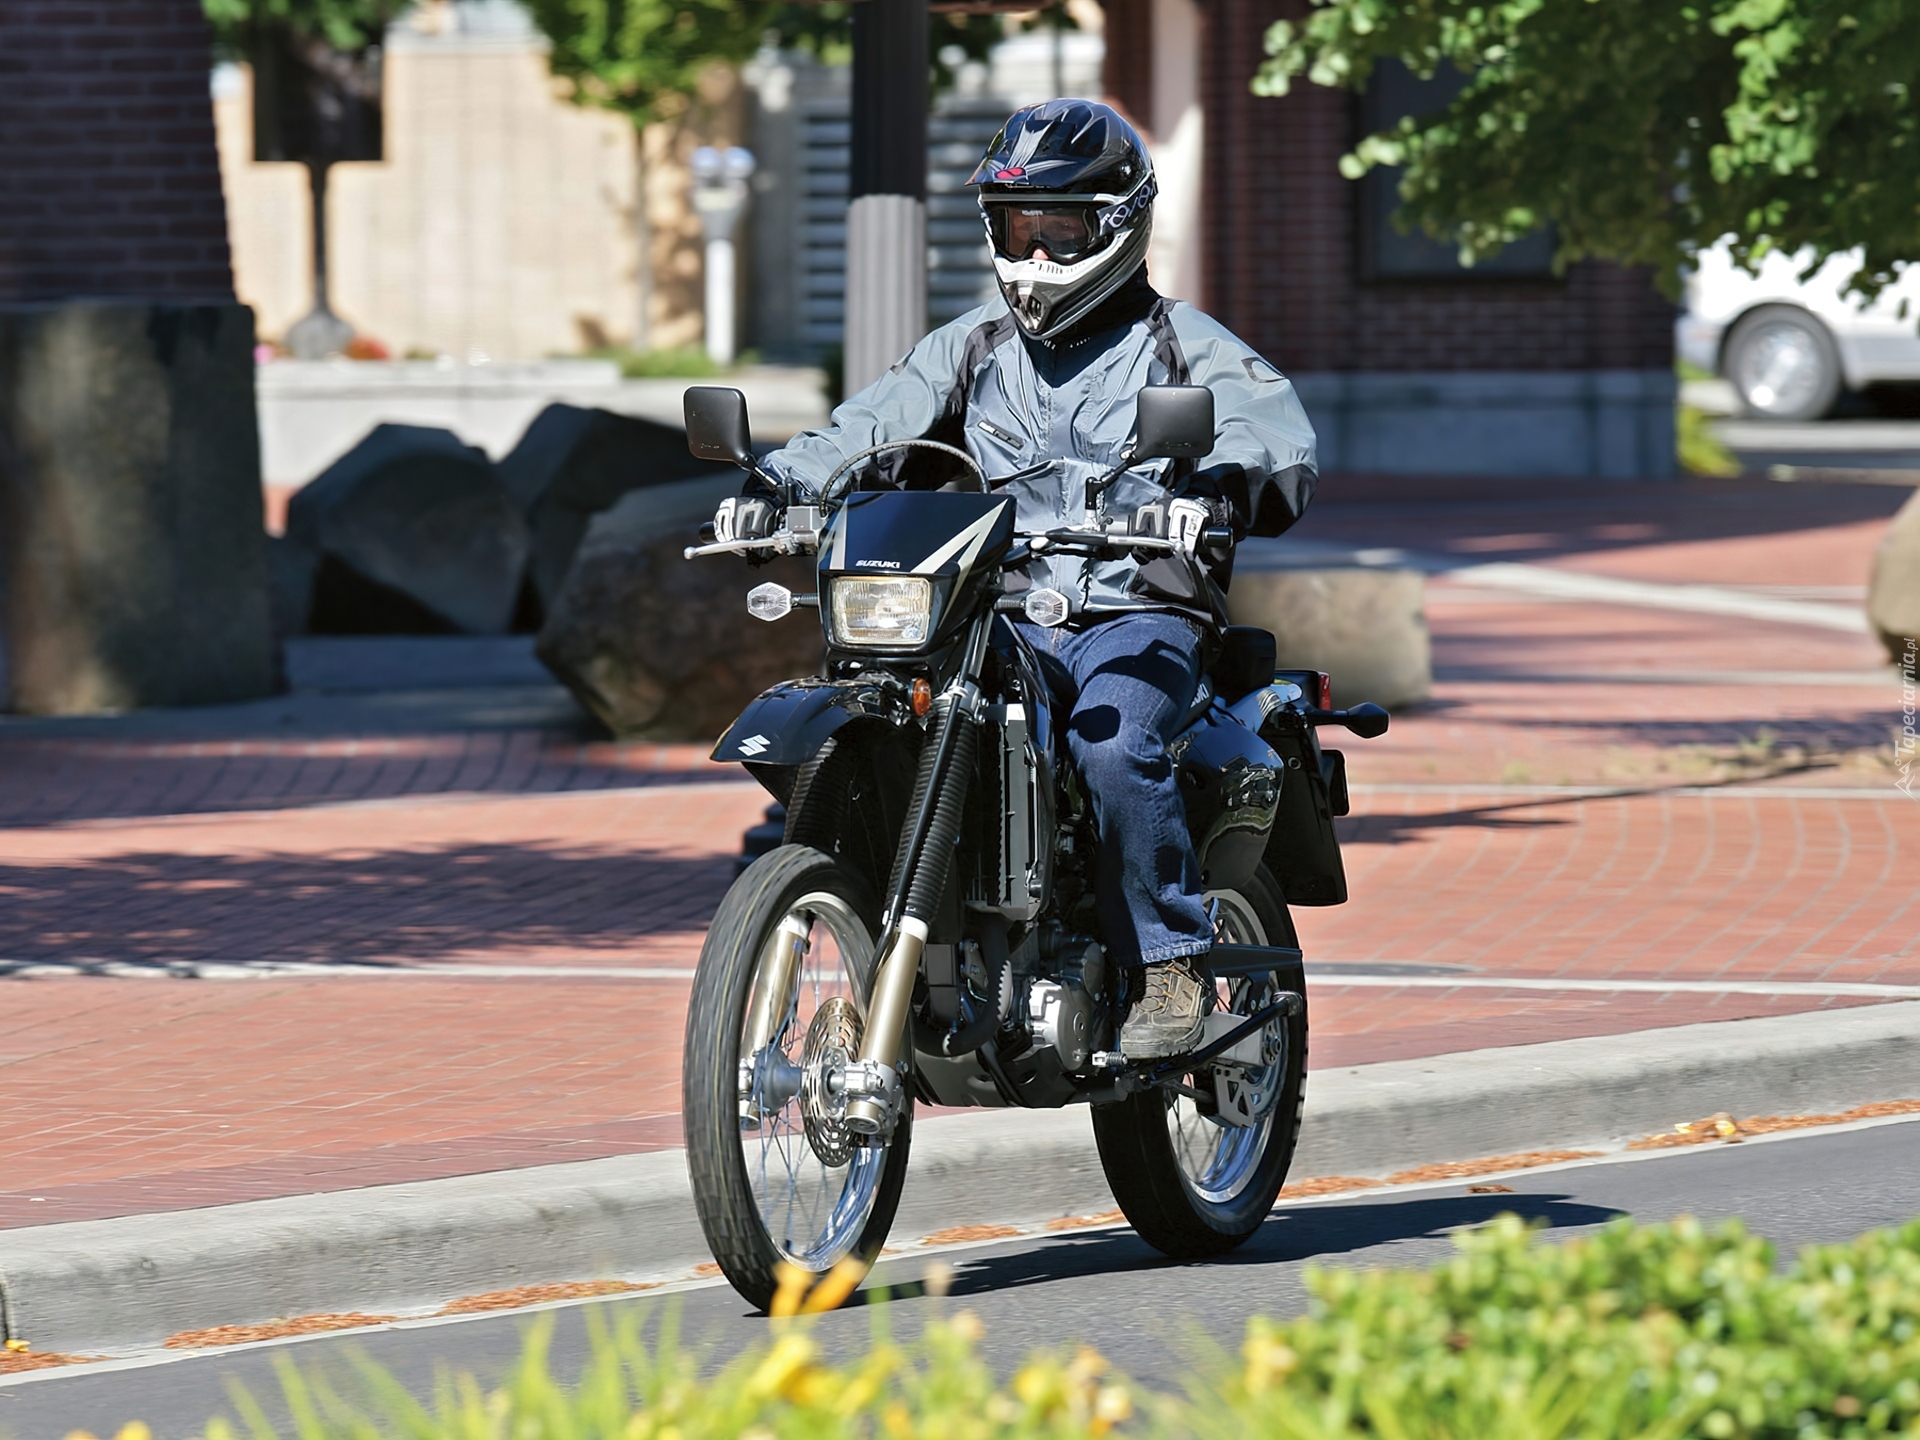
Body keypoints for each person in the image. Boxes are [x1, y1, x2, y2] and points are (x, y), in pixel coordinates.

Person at [714, 99, 1318, 1058]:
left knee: (1113, 744)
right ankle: (844, 906)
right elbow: (868, 425)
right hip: (991, 610)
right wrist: (777, 484)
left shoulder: (1184, 344)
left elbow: (1268, 434)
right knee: (882, 710)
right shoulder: (970, 349)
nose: (1034, 255)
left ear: (1117, 224)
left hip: (1133, 609)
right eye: (1014, 229)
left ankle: (1169, 966)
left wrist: (1214, 489)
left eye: (1058, 228)